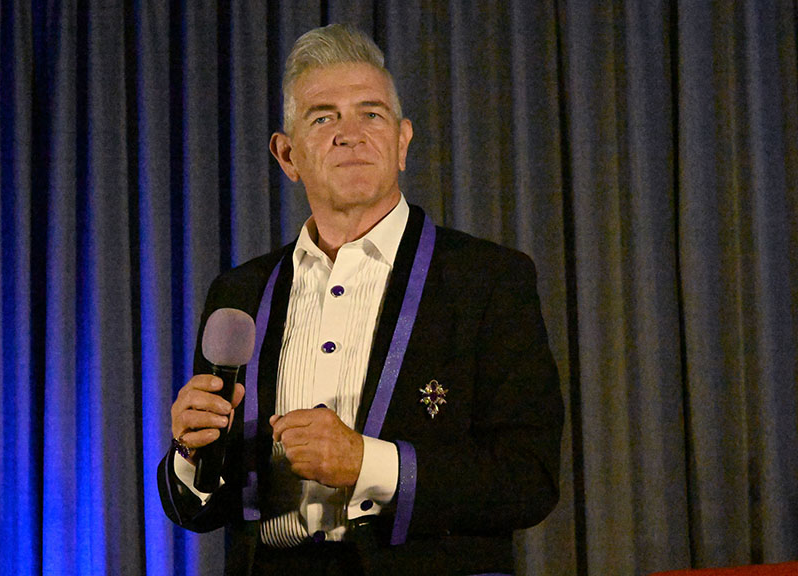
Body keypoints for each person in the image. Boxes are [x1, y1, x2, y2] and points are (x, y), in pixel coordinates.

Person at [158, 23, 563, 576]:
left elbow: (528, 479)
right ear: (287, 155)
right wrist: (191, 454)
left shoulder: (488, 280)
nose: (350, 134)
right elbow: (202, 509)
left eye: (371, 114)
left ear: (402, 142)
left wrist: (366, 463)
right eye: (323, 118)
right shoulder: (239, 292)